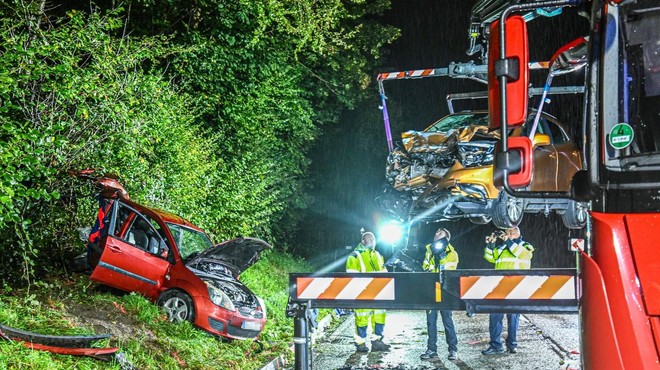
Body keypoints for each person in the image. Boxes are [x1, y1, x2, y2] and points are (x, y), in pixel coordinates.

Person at [481, 226, 534, 355]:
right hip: (499, 287)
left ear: (514, 233)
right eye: (506, 232)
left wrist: (508, 241)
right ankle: (495, 345)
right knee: (495, 316)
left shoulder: (526, 246)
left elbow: (520, 254)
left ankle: (512, 344)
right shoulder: (502, 247)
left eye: (509, 232)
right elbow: (490, 257)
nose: (506, 234)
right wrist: (491, 244)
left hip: (516, 287)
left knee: (513, 317)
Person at [345, 231, 390, 352]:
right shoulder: (354, 255)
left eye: (374, 239)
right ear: (363, 242)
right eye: (369, 239)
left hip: (378, 293)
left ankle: (377, 341)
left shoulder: (378, 255)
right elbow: (351, 276)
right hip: (362, 293)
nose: (372, 242)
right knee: (361, 318)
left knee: (380, 317)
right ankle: (360, 343)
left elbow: (384, 273)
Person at [419, 228, 459, 361]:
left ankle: (453, 349)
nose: (436, 234)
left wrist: (441, 258)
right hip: (431, 290)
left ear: (447, 238)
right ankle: (431, 349)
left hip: (445, 291)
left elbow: (449, 272)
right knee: (431, 322)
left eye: (440, 233)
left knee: (447, 321)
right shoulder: (429, 250)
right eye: (436, 233)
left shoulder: (452, 253)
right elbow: (425, 267)